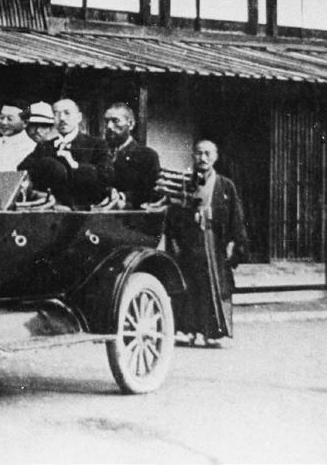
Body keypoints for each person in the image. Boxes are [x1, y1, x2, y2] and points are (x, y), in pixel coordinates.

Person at [167, 140, 249, 347]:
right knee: (188, 284)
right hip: (189, 241)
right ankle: (186, 331)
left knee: (214, 286)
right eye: (198, 153)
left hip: (214, 242)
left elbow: (236, 218)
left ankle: (213, 333)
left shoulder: (226, 185)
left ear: (216, 156)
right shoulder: (184, 183)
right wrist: (175, 242)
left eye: (207, 153)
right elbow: (173, 216)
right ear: (192, 156)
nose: (203, 158)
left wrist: (235, 243)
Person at [19, 98, 111, 209]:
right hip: (50, 210)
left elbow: (105, 177)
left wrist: (75, 165)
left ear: (79, 117)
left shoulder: (97, 144)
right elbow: (23, 171)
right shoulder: (44, 146)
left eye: (67, 113)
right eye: (56, 114)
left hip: (84, 212)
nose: (62, 118)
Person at [103, 103, 160, 208]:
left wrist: (122, 196)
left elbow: (151, 192)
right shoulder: (101, 153)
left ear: (131, 124)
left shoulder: (147, 155)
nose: (109, 126)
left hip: (129, 214)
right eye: (106, 121)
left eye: (115, 121)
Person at [0, 100, 36, 176]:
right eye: (1, 117)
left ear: (25, 123)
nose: (4, 122)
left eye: (10, 119)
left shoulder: (33, 149)